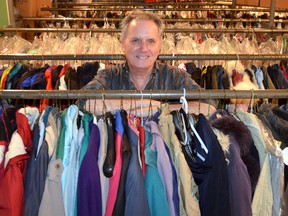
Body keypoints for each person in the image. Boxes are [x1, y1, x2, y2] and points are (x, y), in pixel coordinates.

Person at [82, 10, 216, 115]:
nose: (143, 49)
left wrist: (163, 108)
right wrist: (145, 104)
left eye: (151, 41)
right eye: (135, 41)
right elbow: (82, 102)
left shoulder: (175, 77)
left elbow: (209, 106)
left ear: (159, 47)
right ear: (123, 45)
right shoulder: (109, 76)